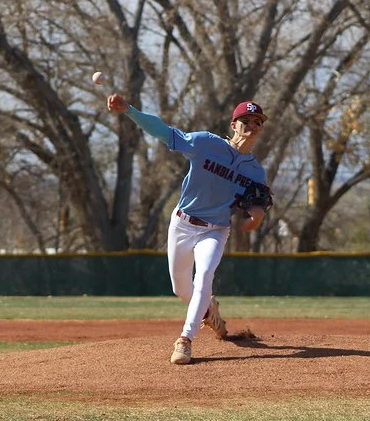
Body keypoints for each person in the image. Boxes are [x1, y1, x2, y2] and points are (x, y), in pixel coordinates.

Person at [107, 94, 273, 365]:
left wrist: (255, 219)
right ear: (234, 125)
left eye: (257, 121)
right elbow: (164, 132)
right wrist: (129, 110)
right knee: (181, 288)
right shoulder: (205, 143)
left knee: (205, 274)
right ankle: (211, 312)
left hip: (215, 229)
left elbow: (258, 204)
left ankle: (185, 340)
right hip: (183, 223)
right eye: (245, 120)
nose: (251, 125)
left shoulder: (255, 172)